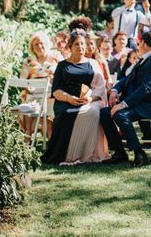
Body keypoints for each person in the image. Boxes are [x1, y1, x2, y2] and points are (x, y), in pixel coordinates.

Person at [42, 29, 109, 164]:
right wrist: (69, 98)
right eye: (77, 44)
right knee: (66, 114)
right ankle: (68, 154)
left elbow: (101, 86)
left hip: (90, 100)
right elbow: (56, 91)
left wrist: (90, 98)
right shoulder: (62, 66)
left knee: (93, 112)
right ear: (70, 47)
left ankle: (87, 153)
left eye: (83, 44)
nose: (81, 47)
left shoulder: (93, 63)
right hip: (66, 100)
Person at [100, 30, 151, 166]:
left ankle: (138, 152)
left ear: (143, 43)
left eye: (139, 42)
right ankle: (119, 152)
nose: (137, 45)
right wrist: (115, 90)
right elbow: (128, 78)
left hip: (148, 105)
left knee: (120, 115)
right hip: (135, 102)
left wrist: (123, 104)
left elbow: (146, 88)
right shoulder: (145, 58)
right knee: (104, 113)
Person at [19, 32, 58, 139]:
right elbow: (22, 80)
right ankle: (27, 139)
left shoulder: (55, 58)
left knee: (51, 107)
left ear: (46, 43)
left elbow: (62, 76)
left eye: (41, 43)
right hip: (32, 93)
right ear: (32, 47)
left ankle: (50, 139)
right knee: (28, 105)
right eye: (36, 44)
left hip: (51, 95)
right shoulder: (28, 61)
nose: (40, 46)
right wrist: (28, 88)